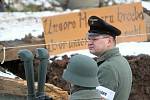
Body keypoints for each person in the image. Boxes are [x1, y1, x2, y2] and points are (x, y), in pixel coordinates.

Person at [87, 16, 132, 100]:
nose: (89, 43)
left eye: (94, 39)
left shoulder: (107, 68)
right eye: (89, 39)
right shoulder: (121, 60)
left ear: (109, 41)